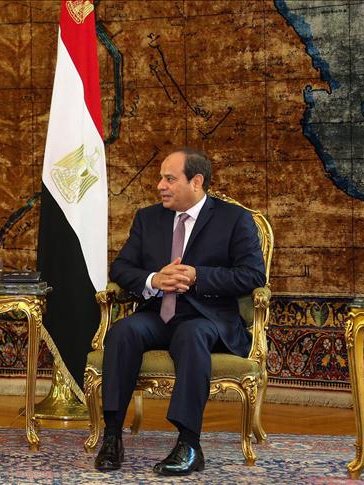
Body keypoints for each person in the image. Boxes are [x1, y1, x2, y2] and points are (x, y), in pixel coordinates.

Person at [94, 148, 266, 476]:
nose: (160, 185)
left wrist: (198, 276)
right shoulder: (148, 218)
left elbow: (253, 275)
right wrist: (154, 279)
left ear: (196, 182)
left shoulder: (233, 219)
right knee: (123, 332)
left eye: (170, 179)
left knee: (191, 334)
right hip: (157, 313)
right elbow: (121, 268)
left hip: (207, 318)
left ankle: (189, 444)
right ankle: (112, 435)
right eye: (161, 178)